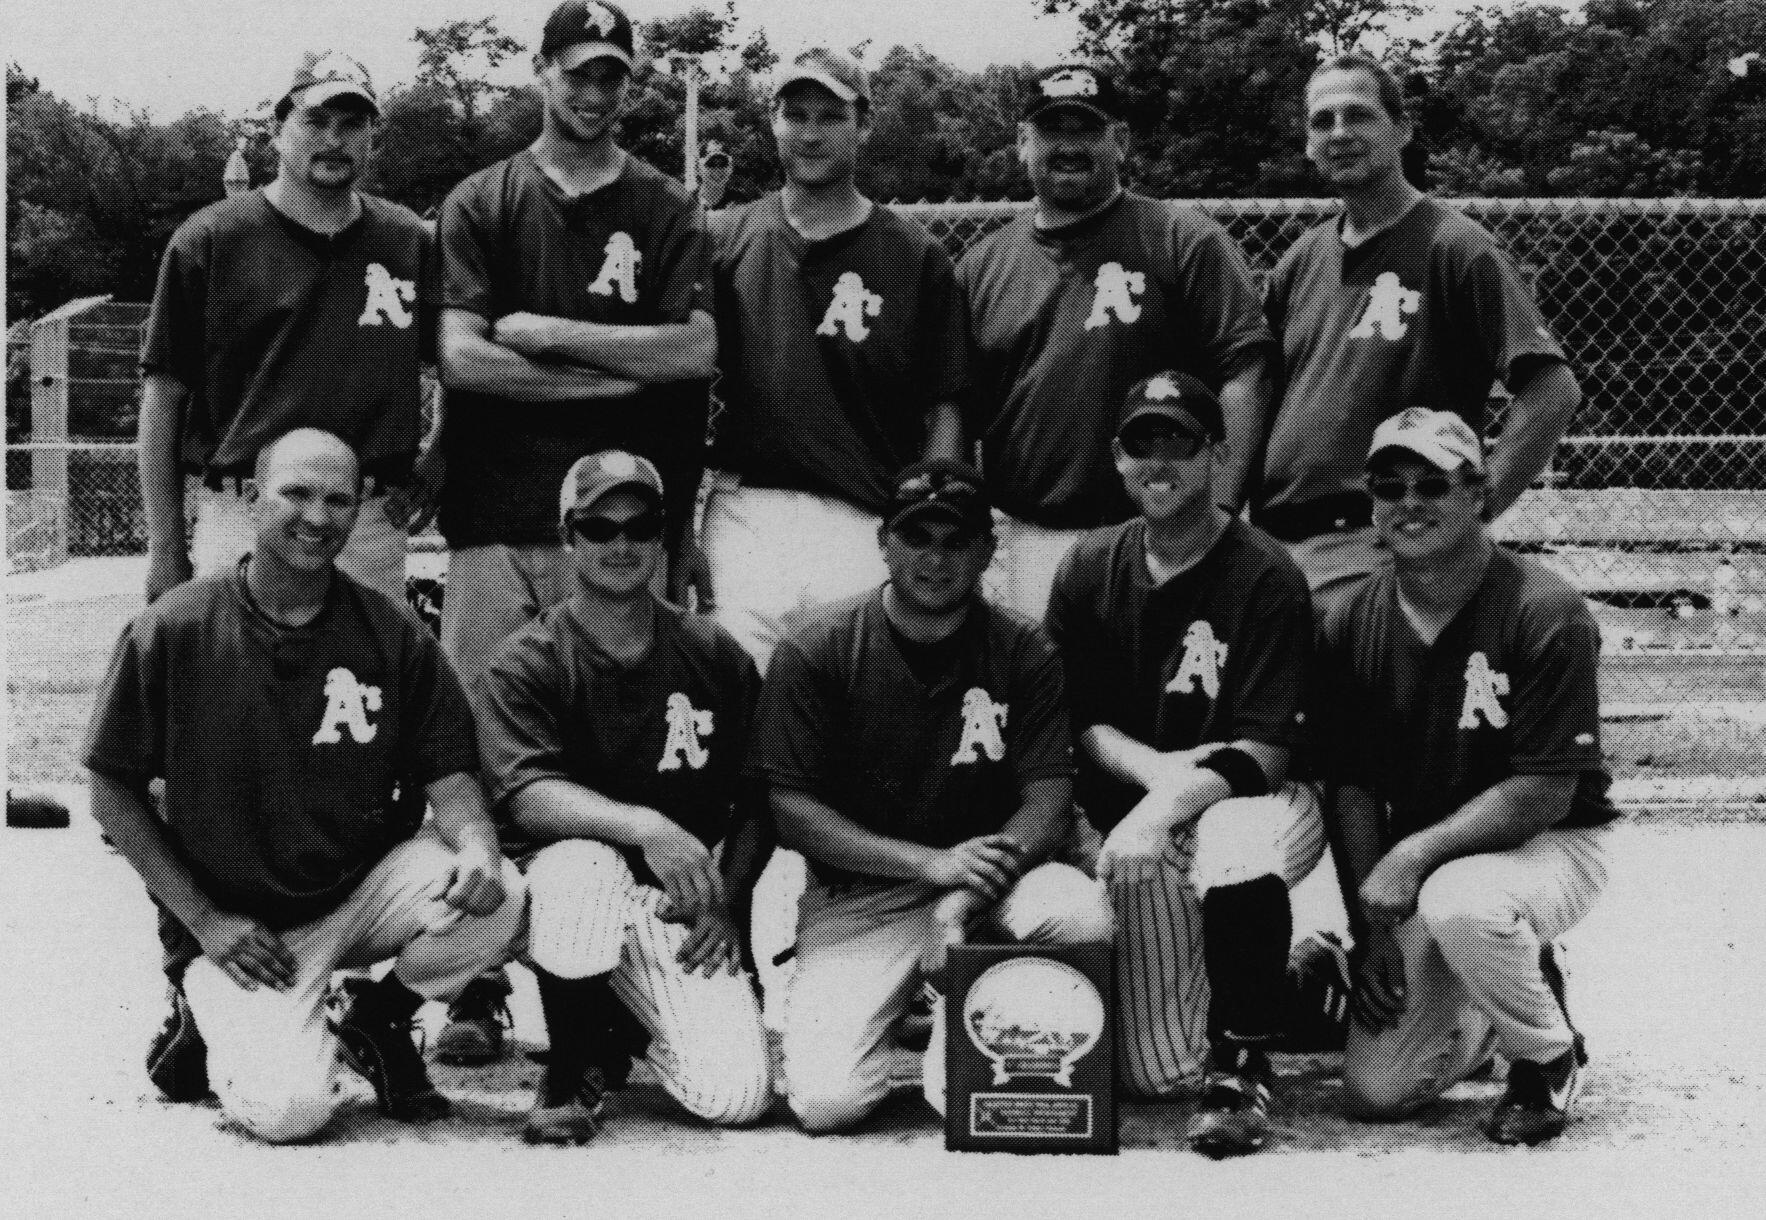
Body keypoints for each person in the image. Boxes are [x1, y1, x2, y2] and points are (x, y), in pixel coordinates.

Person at [83, 428, 523, 1144]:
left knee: (504, 896)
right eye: (297, 493)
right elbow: (110, 791)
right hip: (238, 927)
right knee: (292, 1112)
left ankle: (375, 1023)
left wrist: (475, 846)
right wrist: (204, 922)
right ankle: (206, 1016)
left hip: (352, 900)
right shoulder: (175, 628)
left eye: (338, 500)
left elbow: (452, 780)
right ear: (254, 499)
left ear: (357, 513)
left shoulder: (393, 634)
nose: (318, 518)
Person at [434, 0, 716, 1060]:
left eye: (611, 75)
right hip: (497, 513)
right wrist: (613, 375)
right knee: (479, 749)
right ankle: (476, 982)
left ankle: (607, 977)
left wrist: (550, 337)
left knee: (615, 755)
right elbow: (463, 359)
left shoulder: (661, 204)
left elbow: (693, 353)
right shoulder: (483, 199)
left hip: (617, 527)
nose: (593, 93)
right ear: (541, 71)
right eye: (577, 71)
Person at [747, 459, 1113, 1132]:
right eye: (917, 538)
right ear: (884, 541)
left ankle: (967, 1012)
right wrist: (927, 865)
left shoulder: (1024, 649)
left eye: (955, 540)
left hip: (991, 885)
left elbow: (1049, 804)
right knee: (827, 1104)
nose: (935, 559)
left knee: (1075, 911)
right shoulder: (818, 648)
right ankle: (899, 1005)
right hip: (863, 893)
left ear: (987, 549)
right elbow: (791, 812)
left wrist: (958, 898)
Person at [1316, 407, 1617, 1145]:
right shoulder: (1350, 618)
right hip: (1426, 873)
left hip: (1550, 845)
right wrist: (1371, 932)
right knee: (1377, 1092)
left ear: (1479, 493)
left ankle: (1546, 1056)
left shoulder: (1545, 609)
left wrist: (1412, 857)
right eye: (1390, 485)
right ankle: (1493, 991)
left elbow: (1544, 791)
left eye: (1432, 483)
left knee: (1462, 900)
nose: (1409, 502)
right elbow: (1349, 783)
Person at [1044, 372, 1323, 1156]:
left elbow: (1266, 750)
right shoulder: (1090, 565)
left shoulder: (1267, 573)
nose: (1159, 462)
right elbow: (1081, 719)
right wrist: (1159, 779)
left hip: (1263, 802)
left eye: (1181, 442)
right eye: (1143, 443)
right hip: (1149, 809)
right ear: (1117, 457)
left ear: (1218, 454)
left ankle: (1241, 1064)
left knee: (1233, 835)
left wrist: (1165, 803)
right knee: (1154, 1072)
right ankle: (1295, 982)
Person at [474, 451, 774, 1144]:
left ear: (663, 534)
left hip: (664, 905)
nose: (621, 543)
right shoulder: (529, 658)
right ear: (566, 536)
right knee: (586, 864)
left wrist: (725, 901)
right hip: (554, 898)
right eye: (599, 527)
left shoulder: (714, 653)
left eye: (639, 526)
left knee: (735, 1096)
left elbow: (760, 795)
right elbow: (527, 795)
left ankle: (618, 1024)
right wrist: (644, 825)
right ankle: (570, 1066)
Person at [1255, 52, 1582, 601]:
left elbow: (1552, 392)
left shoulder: (1453, 246)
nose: (1339, 133)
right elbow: (1256, 394)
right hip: (1276, 548)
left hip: (1379, 542)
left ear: (1402, 129)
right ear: (1308, 145)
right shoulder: (1301, 259)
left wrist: (1466, 516)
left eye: (1358, 115)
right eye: (1322, 121)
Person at [959, 64, 1274, 621]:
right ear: (1022, 145)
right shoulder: (983, 266)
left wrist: (1219, 511)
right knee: (1041, 704)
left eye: (1087, 130)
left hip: (1165, 534)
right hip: (1027, 538)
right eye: (1052, 131)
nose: (1069, 147)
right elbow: (958, 411)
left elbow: (1244, 375)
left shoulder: (1183, 239)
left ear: (1121, 142)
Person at [139, 51, 442, 606]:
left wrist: (438, 450)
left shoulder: (408, 240)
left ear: (373, 135)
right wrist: (165, 551)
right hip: (242, 513)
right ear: (278, 130)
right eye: (315, 121)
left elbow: (456, 361)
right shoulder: (210, 239)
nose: (334, 139)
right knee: (230, 688)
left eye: (352, 124)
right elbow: (163, 400)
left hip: (368, 518)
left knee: (360, 690)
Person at [703, 47, 966, 669]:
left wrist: (928, 521)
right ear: (773, 122)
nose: (811, 133)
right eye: (796, 115)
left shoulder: (915, 255)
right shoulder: (725, 239)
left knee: (851, 717)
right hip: (747, 510)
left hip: (865, 511)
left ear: (864, 123)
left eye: (831, 115)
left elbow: (946, 408)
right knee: (742, 708)